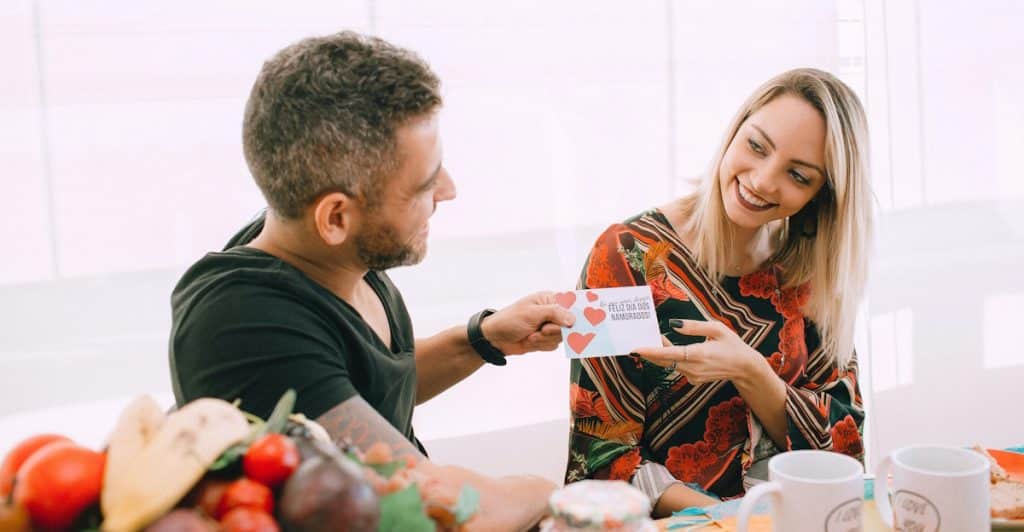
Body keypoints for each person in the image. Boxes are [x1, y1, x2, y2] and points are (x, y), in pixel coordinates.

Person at [169, 31, 575, 530]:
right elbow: (438, 508)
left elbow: (357, 393)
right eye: (424, 183)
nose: (448, 191)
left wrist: (481, 339)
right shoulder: (243, 328)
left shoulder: (324, 251)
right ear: (335, 217)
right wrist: (547, 492)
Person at [564, 68, 872, 516]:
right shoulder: (622, 255)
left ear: (821, 197)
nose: (764, 180)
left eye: (799, 176)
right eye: (757, 146)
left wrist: (753, 374)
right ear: (734, 131)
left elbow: (845, 452)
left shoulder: (811, 276)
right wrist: (739, 519)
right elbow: (597, 458)